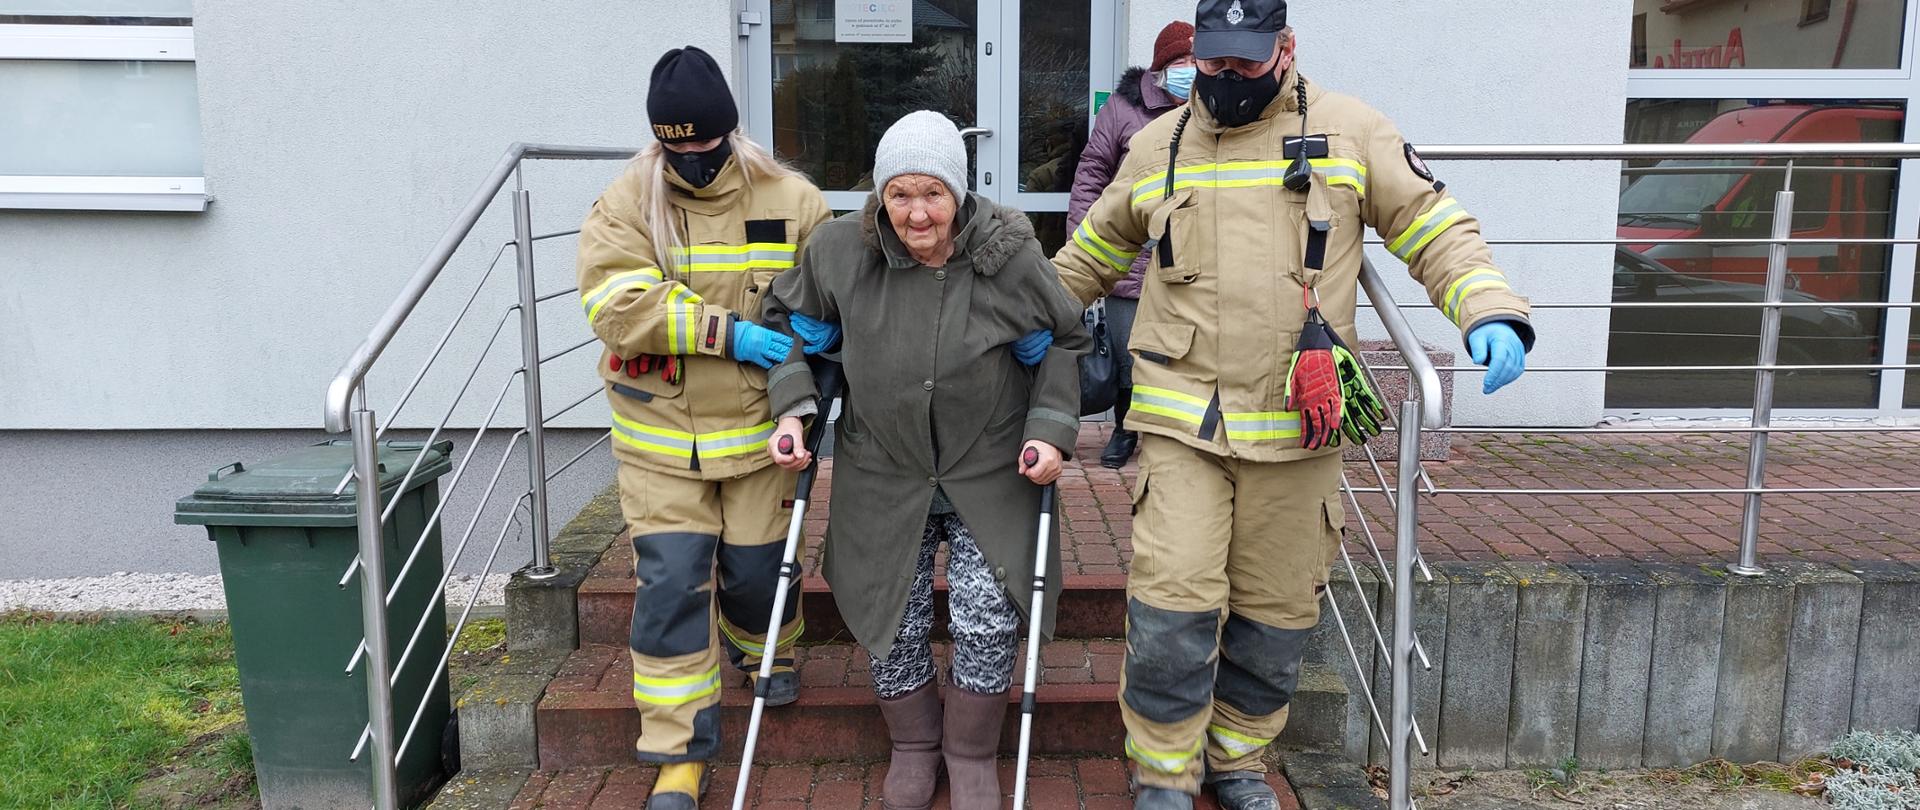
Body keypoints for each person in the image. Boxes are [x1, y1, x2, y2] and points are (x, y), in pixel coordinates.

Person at [1050, 2, 1535, 808]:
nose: (1226, 78)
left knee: (1275, 620)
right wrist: (1017, 323)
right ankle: (1164, 775)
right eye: (1212, 63)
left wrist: (1487, 306)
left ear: (1285, 48)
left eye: (1245, 61)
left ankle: (1237, 761)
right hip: (1181, 424)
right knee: (1172, 612)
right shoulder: (1155, 144)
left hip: (1298, 430)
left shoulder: (1351, 132)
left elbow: (1430, 222)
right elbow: (1089, 255)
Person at [760, 110, 1092, 810]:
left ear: (960, 195)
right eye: (900, 194)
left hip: (993, 466)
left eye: (933, 194)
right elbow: (798, 334)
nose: (917, 214)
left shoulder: (1009, 256)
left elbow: (1062, 342)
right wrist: (793, 409)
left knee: (987, 616)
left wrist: (1051, 429)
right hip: (882, 467)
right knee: (892, 612)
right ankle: (913, 746)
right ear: (880, 196)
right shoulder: (839, 253)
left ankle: (970, 753)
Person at [574, 46, 832, 810]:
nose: (691, 158)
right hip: (660, 442)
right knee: (673, 589)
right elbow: (617, 308)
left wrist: (821, 335)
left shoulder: (792, 198)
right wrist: (732, 334)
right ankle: (678, 754)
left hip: (757, 436)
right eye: (675, 145)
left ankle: (767, 652)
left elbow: (827, 292)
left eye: (704, 143)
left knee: (757, 577)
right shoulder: (627, 200)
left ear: (729, 129)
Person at [1068, 19, 1195, 468]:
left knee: (1179, 353)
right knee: (1127, 352)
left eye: (1197, 62)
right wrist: (1084, 240)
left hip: (1188, 258)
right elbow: (1091, 176)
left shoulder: (1212, 108)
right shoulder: (1124, 109)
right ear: (1162, 68)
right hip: (1131, 256)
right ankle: (1125, 429)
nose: (1191, 71)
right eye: (1182, 62)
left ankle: (1172, 436)